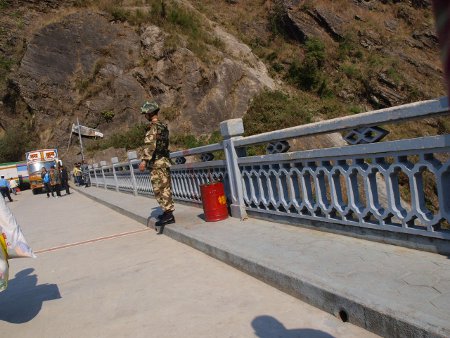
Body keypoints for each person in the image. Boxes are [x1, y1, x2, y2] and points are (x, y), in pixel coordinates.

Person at [138, 100, 175, 234]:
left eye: (145, 114)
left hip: (157, 162)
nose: (145, 116)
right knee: (165, 187)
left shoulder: (153, 127)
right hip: (164, 160)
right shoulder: (162, 126)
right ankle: (167, 212)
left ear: (150, 113)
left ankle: (169, 214)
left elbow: (150, 145)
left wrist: (143, 161)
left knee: (160, 188)